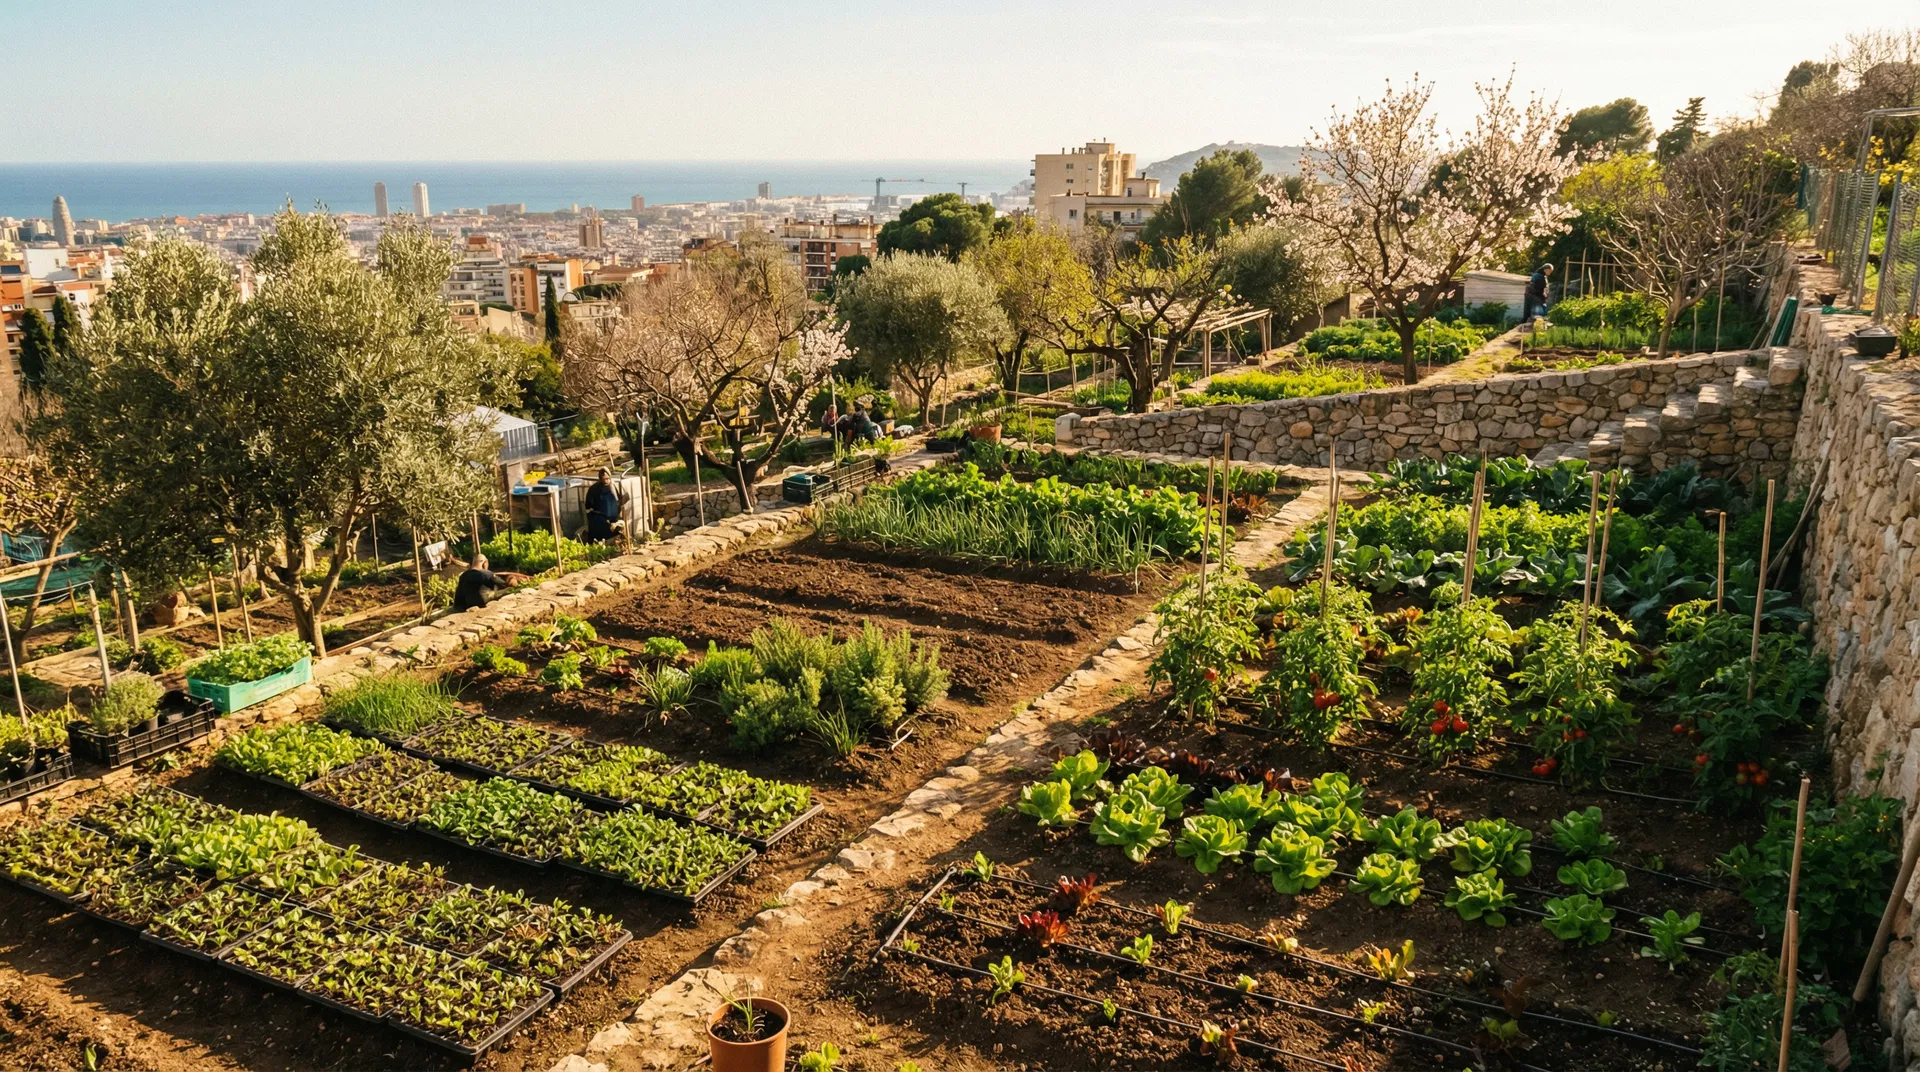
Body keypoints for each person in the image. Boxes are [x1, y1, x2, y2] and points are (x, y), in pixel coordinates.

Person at [452, 554, 528, 611]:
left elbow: (459, 592)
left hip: (468, 603)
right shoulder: (486, 574)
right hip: (482, 601)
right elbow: (503, 584)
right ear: (484, 562)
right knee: (509, 590)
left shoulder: (464, 575)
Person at [583, 467, 624, 543]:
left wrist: (617, 517)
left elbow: (620, 501)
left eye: (607, 478)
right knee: (600, 540)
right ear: (600, 479)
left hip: (613, 519)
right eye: (604, 479)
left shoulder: (614, 486)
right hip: (599, 521)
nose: (606, 481)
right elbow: (588, 507)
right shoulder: (594, 489)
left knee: (614, 538)